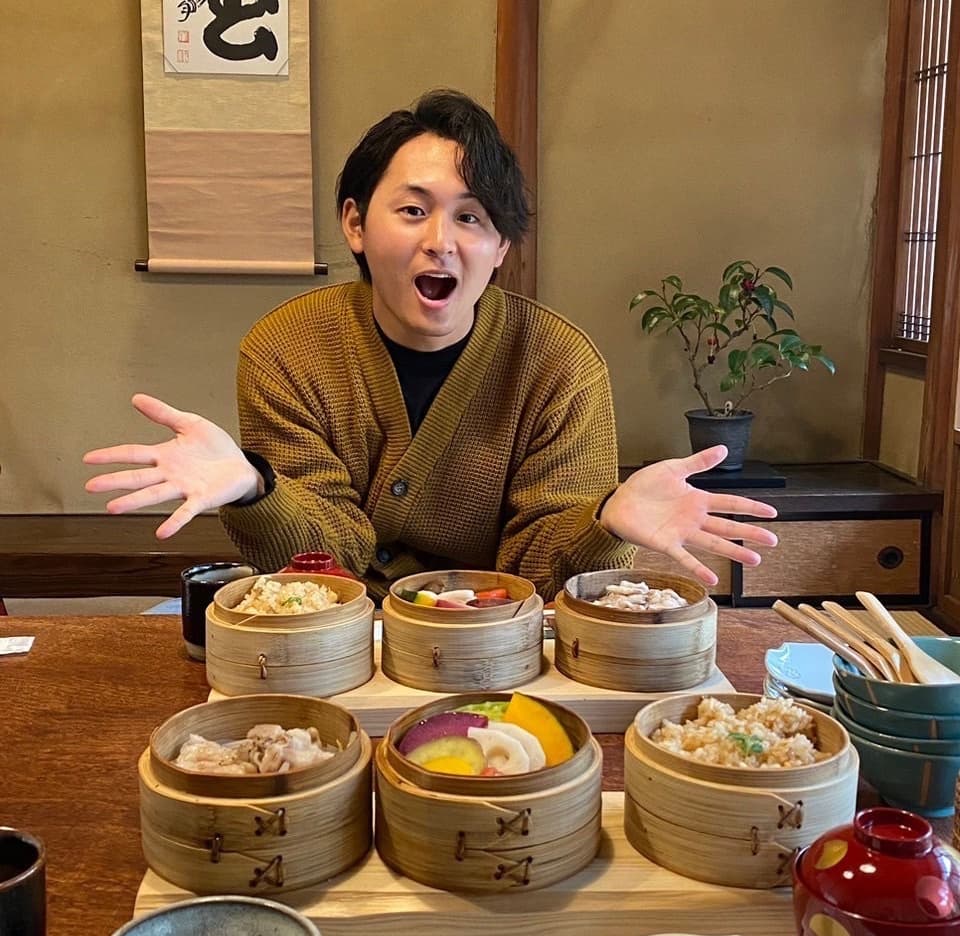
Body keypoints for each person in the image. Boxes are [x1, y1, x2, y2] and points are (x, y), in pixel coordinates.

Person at [84, 89, 777, 603]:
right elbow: (324, 563)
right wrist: (256, 489)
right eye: (413, 210)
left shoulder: (559, 363)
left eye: (471, 218)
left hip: (498, 641)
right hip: (337, 634)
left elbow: (541, 573)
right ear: (356, 224)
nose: (440, 241)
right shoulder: (285, 349)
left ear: (500, 247)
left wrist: (605, 523)